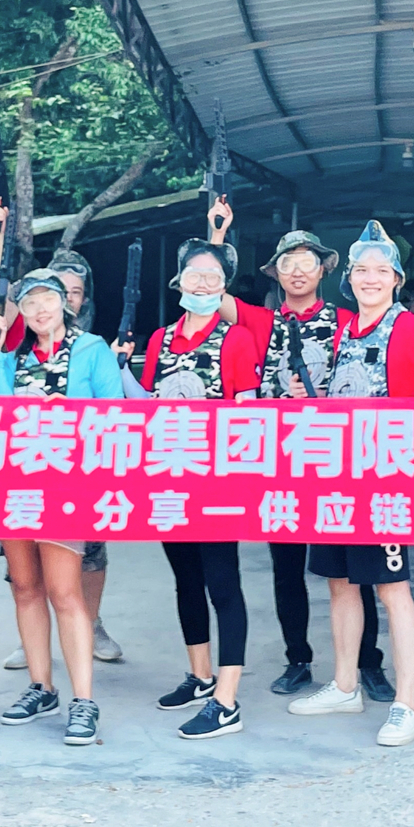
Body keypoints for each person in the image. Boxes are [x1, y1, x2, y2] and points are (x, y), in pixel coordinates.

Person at [287, 220, 414, 747]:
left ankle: (406, 705)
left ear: (395, 279)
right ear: (349, 279)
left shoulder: (408, 328)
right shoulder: (346, 330)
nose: (370, 278)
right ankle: (345, 685)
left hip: (384, 483)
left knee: (392, 590)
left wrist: (403, 430)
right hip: (337, 481)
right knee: (340, 584)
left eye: (380, 270)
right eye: (361, 270)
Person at [212, 212, 394, 702]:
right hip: (282, 465)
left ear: (323, 270)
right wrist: (218, 236)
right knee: (286, 567)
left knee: (355, 567)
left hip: (339, 465)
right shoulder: (261, 321)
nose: (297, 271)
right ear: (276, 272)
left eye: (306, 262)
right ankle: (298, 659)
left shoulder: (347, 322)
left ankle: (368, 662)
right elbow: (212, 292)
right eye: (287, 262)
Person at [0, 268, 124, 745]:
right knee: (25, 587)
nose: (40, 309)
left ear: (65, 303)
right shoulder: (11, 360)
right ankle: (40, 686)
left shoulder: (92, 349)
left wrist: (73, 414)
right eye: (30, 302)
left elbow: (116, 414)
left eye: (48, 299)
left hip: (68, 486)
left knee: (65, 593)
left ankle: (84, 699)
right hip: (16, 486)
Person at [139, 238, 261, 739]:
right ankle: (200, 675)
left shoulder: (237, 339)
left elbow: (248, 414)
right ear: (179, 282)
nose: (204, 284)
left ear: (224, 286)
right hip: (170, 481)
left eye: (214, 277)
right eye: (195, 275)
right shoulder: (160, 340)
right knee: (185, 580)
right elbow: (146, 406)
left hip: (217, 483)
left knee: (222, 584)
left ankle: (227, 702)